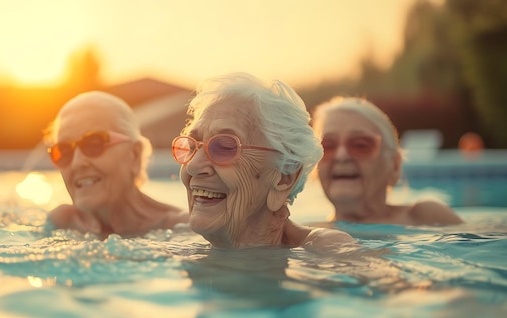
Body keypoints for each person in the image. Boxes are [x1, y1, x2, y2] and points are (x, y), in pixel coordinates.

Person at [172, 72, 355, 250]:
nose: (193, 166)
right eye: (192, 146)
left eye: (225, 147)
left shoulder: (325, 251)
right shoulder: (174, 243)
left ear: (284, 177)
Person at [44, 91, 188, 237]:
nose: (76, 163)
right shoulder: (61, 222)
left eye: (93, 144)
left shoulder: (184, 230)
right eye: (63, 151)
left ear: (134, 154)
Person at [311, 96, 464, 225]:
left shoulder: (425, 217)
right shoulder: (305, 239)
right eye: (328, 146)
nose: (341, 156)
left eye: (360, 145)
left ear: (395, 166)